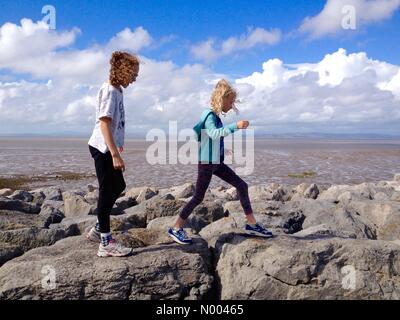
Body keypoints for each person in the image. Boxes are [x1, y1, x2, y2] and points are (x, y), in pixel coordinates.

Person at [168, 79, 273, 245]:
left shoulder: (214, 116)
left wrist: (222, 151)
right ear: (222, 98)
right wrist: (236, 126)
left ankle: (252, 224)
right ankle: (176, 228)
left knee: (242, 185)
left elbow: (211, 139)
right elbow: (214, 134)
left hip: (215, 161)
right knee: (198, 197)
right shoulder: (209, 115)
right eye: (230, 102)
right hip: (207, 163)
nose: (231, 106)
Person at [86, 51, 139, 257]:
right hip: (102, 148)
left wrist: (118, 145)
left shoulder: (118, 90)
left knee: (119, 186)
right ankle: (105, 243)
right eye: (133, 74)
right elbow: (105, 123)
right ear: (123, 71)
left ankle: (99, 229)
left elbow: (115, 124)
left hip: (109, 146)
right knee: (108, 190)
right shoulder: (109, 90)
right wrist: (115, 153)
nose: (135, 78)